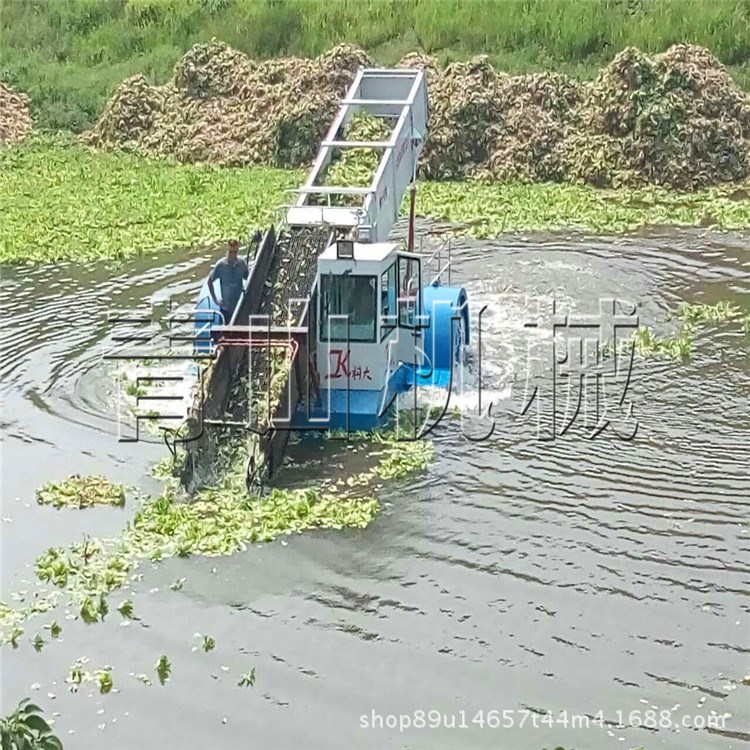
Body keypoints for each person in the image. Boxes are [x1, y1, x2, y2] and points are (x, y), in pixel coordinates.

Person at [209, 239, 249, 329]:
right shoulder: (221, 265)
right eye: (231, 252)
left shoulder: (242, 264)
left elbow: (249, 279)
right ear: (227, 250)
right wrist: (215, 299)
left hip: (239, 307)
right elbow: (210, 281)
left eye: (235, 252)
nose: (232, 255)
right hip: (225, 309)